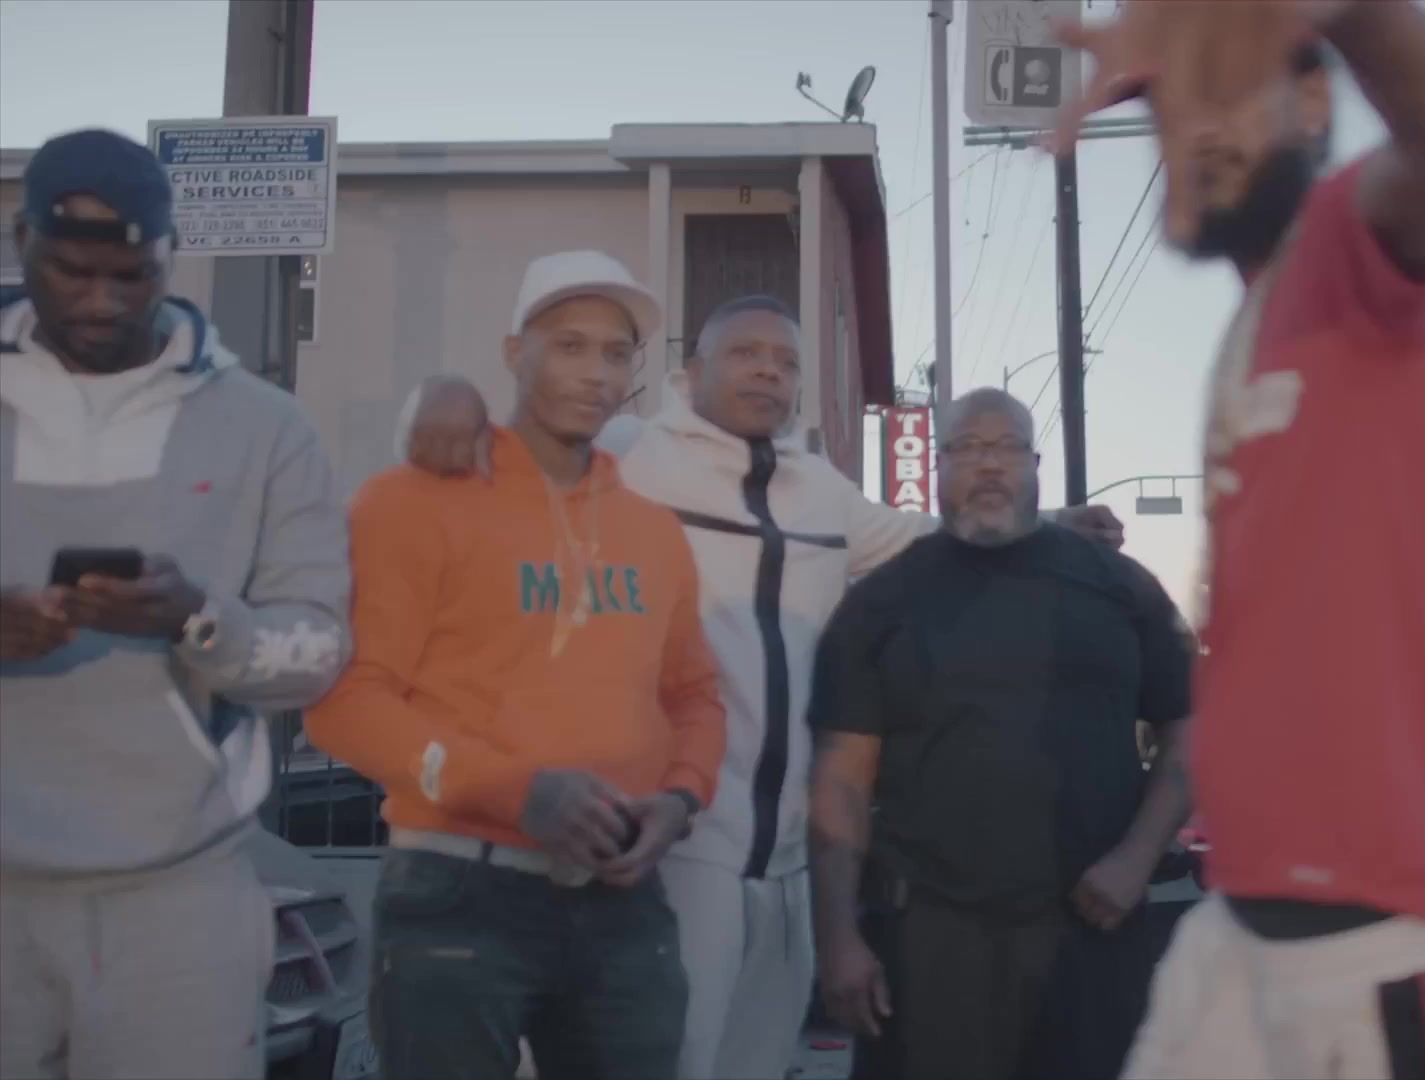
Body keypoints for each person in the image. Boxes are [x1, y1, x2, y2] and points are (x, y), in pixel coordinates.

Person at [399, 298, 1126, 1079]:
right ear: (693, 372)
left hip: (787, 859)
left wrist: (1052, 520)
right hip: (678, 839)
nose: (768, 372)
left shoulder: (821, 491)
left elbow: (928, 533)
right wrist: (440, 396)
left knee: (759, 1062)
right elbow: (494, 457)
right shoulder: (633, 454)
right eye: (745, 353)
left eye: (785, 362)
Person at [1049, 2, 1425, 1076]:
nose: (1194, 129)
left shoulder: (1354, 242)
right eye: (1174, 110)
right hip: (1238, 930)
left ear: (1312, 103)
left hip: (1365, 958)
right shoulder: (1261, 314)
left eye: (1225, 91)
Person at [305, 251, 727, 1080]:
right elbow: (346, 704)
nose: (595, 373)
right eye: (569, 346)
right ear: (512, 353)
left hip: (622, 896)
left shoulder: (652, 532)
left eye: (616, 353)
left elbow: (696, 697)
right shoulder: (410, 502)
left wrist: (681, 800)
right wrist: (512, 791)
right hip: (458, 888)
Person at [0, 129, 351, 1080]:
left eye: (133, 275)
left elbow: (319, 651)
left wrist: (199, 621)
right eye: (71, 272)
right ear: (22, 240)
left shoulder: (265, 427)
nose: (101, 302)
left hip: (180, 902)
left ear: (171, 254)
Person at [808, 389, 1194, 1080]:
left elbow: (1193, 728)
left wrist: (1137, 858)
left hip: (1090, 936)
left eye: (1007, 447)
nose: (989, 464)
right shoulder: (879, 604)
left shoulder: (1120, 588)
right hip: (926, 950)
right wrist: (838, 937)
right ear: (938, 464)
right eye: (968, 448)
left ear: (1035, 464)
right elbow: (841, 780)